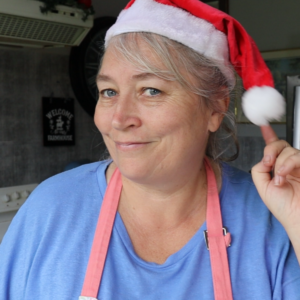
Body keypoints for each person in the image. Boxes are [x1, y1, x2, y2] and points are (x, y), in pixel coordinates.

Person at [1, 0, 300, 299]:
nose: (118, 119)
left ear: (215, 107)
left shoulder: (272, 222)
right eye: (109, 92)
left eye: (151, 90)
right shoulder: (49, 209)